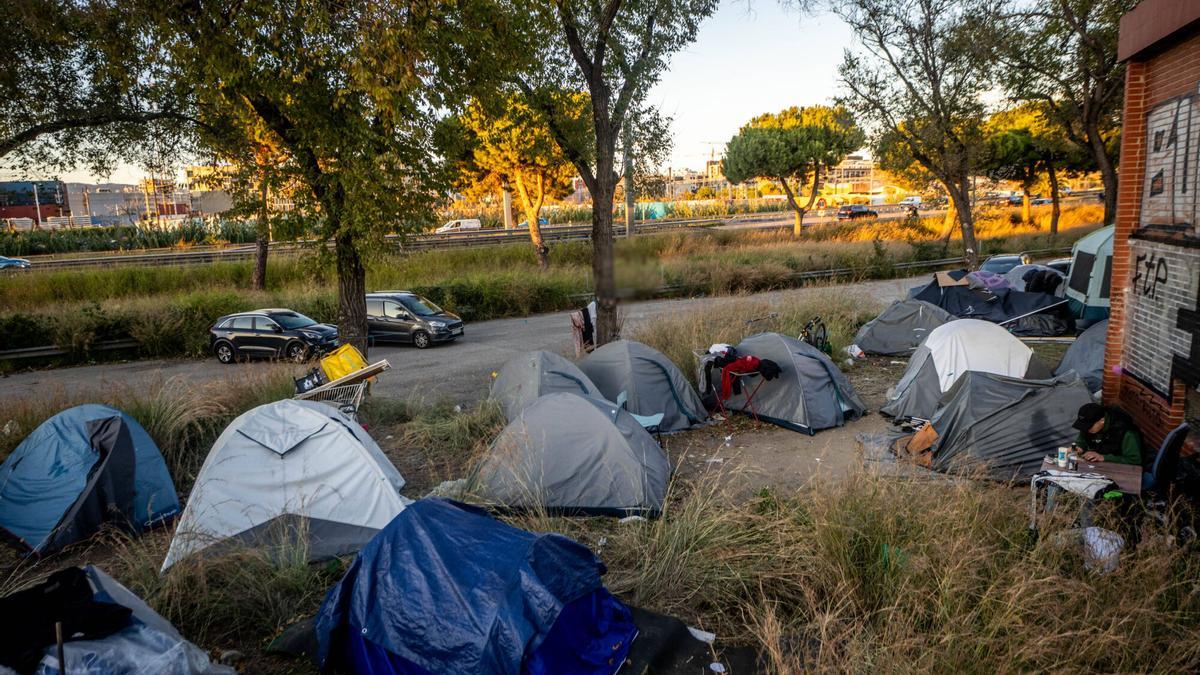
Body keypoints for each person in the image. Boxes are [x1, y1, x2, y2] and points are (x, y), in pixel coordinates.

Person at [1071, 402, 1143, 465]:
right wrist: (1078, 448)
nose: (1086, 429)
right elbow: (1081, 442)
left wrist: (1103, 457)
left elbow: (1135, 460)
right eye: (1083, 426)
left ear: (1102, 421)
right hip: (1094, 466)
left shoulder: (1127, 433)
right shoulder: (1090, 427)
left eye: (1089, 426)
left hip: (1119, 470)